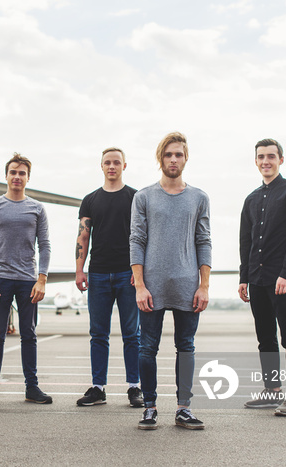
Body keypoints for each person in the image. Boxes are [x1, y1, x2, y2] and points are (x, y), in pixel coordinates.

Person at [129, 132, 211, 430]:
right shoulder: (144, 197)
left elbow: (204, 241)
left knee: (185, 346)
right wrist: (139, 285)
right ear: (160, 159)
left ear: (185, 158)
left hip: (188, 285)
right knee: (147, 348)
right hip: (151, 287)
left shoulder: (199, 197)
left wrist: (204, 285)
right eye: (168, 155)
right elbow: (136, 241)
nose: (173, 159)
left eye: (178, 154)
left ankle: (183, 408)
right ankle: (150, 407)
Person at [0, 153, 53, 405]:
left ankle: (32, 388)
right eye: (13, 172)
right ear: (6, 176)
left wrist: (41, 279)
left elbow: (46, 245)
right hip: (0, 280)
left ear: (28, 178)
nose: (17, 177)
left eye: (22, 173)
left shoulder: (37, 208)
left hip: (28, 281)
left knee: (28, 334)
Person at [239, 138, 286, 416]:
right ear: (255, 161)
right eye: (260, 157)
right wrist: (244, 277)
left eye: (271, 156)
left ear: (281, 159)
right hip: (257, 278)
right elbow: (246, 241)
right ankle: (272, 391)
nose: (265, 161)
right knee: (265, 337)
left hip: (283, 280)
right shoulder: (252, 199)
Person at [75, 147, 143, 407]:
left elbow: (142, 236)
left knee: (131, 334)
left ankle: (134, 387)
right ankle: (98, 388)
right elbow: (83, 236)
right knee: (98, 334)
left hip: (128, 275)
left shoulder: (136, 197)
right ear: (101, 166)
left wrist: (140, 273)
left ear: (124, 166)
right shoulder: (90, 200)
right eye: (107, 162)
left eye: (116, 162)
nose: (112, 166)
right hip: (99, 274)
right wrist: (80, 270)